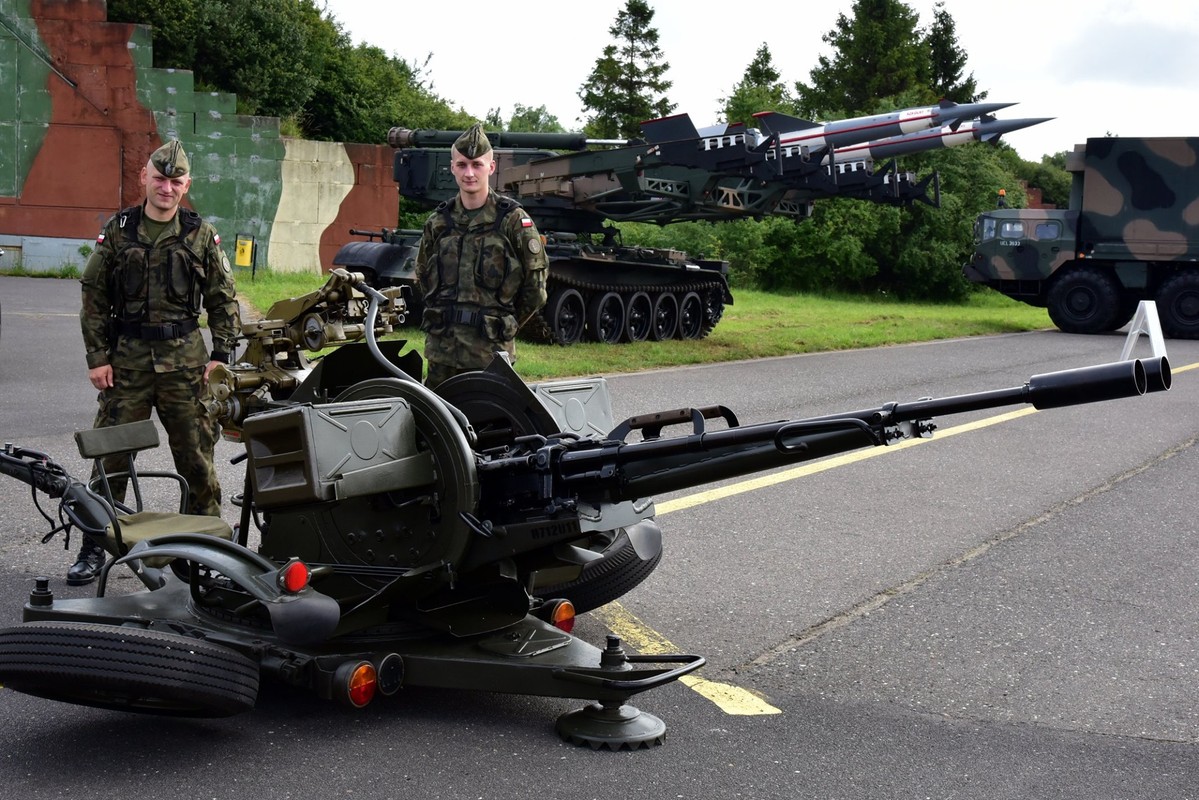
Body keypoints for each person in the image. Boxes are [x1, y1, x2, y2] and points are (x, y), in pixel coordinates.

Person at [74, 139, 241, 585]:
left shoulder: (200, 234)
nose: (166, 188)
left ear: (187, 185)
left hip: (186, 365)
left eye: (175, 181)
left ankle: (204, 551)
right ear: (145, 177)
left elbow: (223, 300)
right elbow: (94, 296)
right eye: (160, 178)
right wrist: (97, 357)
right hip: (126, 364)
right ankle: (97, 545)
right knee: (110, 458)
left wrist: (221, 357)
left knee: (197, 460)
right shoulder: (119, 229)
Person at [413, 123, 548, 390]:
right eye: (462, 165)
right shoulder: (439, 222)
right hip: (442, 354)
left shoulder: (512, 220)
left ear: (491, 167)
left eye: (477, 164)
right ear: (452, 167)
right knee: (437, 426)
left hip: (491, 355)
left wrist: (504, 325)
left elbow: (535, 289)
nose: (469, 173)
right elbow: (423, 276)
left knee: (491, 427)